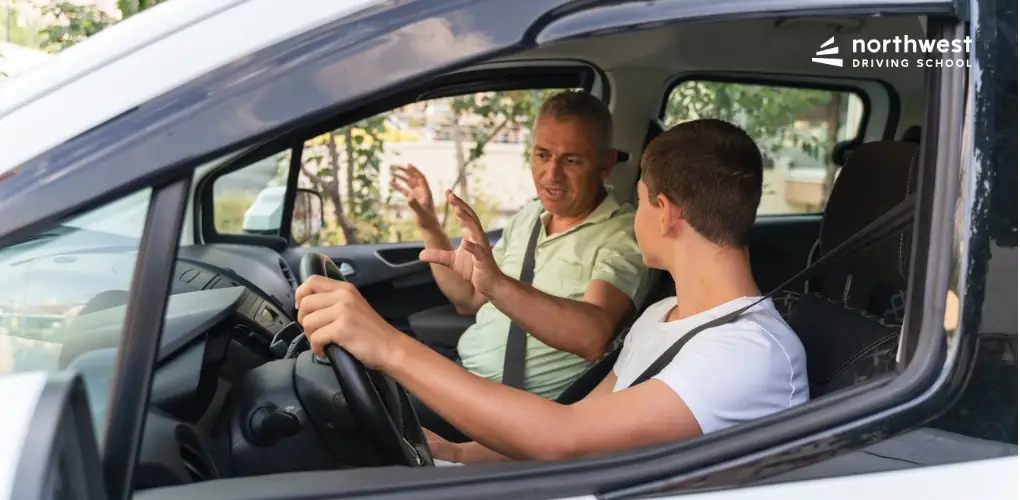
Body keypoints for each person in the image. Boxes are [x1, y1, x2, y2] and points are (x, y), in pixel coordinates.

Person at [295, 118, 808, 463]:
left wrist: (386, 345)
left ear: (667, 212)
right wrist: (455, 453)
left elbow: (563, 440)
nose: (636, 218)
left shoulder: (748, 353)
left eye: (642, 201)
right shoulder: (666, 316)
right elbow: (577, 423)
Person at [387, 90, 651, 407]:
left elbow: (592, 338)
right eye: (542, 155)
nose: (551, 175)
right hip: (463, 378)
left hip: (515, 412)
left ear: (605, 164)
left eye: (571, 160)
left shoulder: (623, 233)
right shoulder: (529, 216)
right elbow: (469, 301)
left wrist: (498, 284)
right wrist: (430, 226)